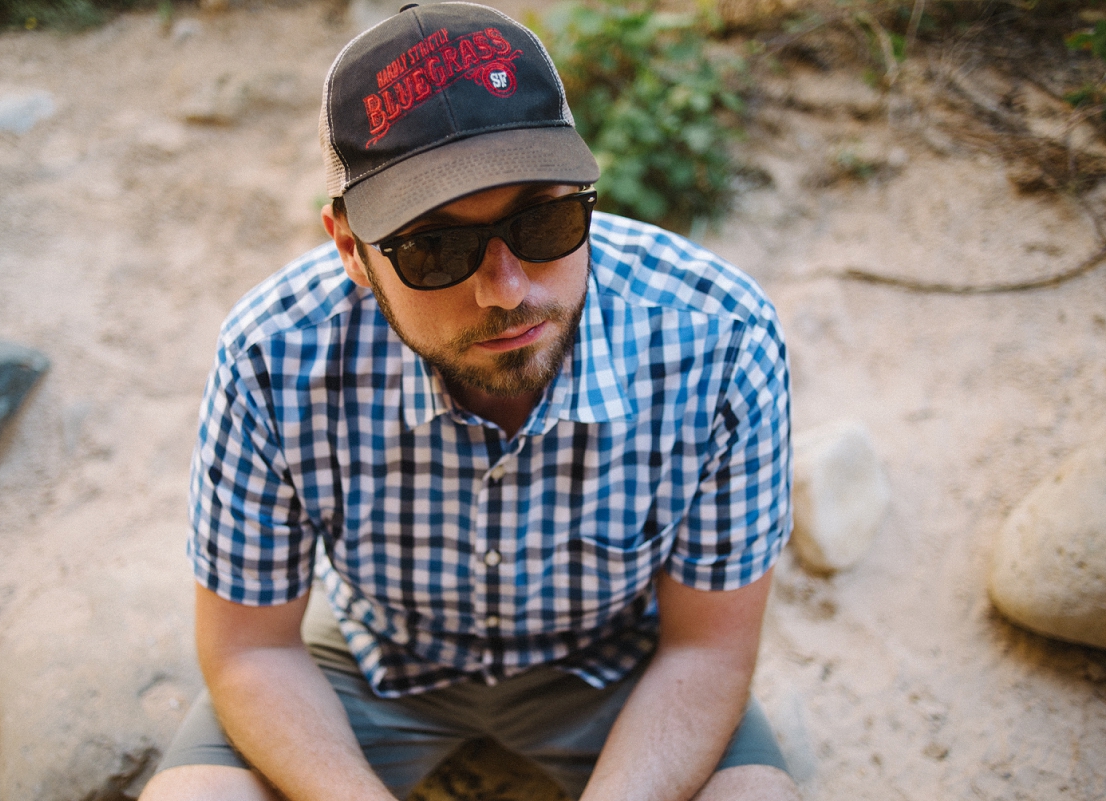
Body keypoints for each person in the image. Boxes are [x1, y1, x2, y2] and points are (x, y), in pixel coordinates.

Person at [140, 3, 797, 800]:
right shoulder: (271, 358)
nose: (506, 289)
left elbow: (706, 651)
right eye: (434, 247)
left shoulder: (719, 338)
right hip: (371, 656)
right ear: (350, 247)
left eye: (545, 218)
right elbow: (251, 650)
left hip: (620, 663)